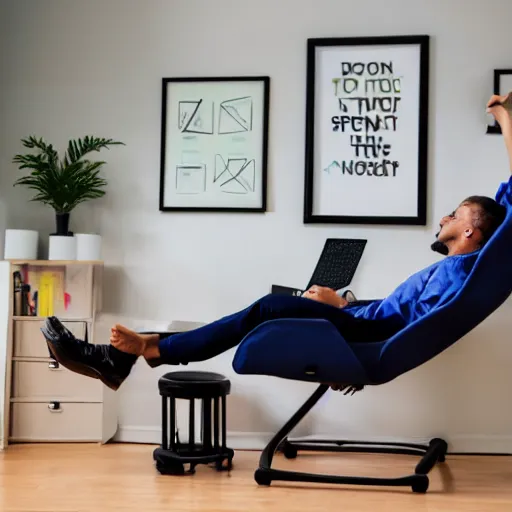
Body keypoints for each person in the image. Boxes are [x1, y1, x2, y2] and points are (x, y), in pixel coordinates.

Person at [41, 94, 512, 392]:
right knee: (279, 302)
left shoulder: (469, 271)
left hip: (368, 335)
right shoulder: (449, 270)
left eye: (455, 213)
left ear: (472, 231)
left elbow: (399, 327)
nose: (445, 216)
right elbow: (393, 308)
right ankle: (136, 352)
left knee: (269, 307)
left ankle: (139, 352)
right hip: (360, 322)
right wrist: (341, 303)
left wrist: (504, 116)